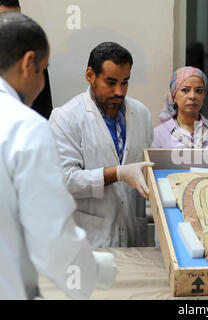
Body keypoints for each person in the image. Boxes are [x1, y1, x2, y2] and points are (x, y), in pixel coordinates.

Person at [0, 12, 116, 300]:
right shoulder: (24, 126)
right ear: (29, 63)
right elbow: (50, 234)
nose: (41, 84)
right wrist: (93, 270)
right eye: (43, 70)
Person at [49, 42, 154, 248]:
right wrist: (117, 173)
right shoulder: (65, 117)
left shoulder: (141, 114)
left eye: (125, 82)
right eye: (111, 82)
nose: (119, 91)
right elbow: (65, 180)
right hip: (90, 238)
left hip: (133, 237)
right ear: (90, 75)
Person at [0, 0, 53, 119]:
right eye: (4, 21)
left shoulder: (35, 61)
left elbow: (43, 114)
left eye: (17, 20)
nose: (13, 30)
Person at [152, 66, 208, 148]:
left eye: (199, 91)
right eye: (185, 90)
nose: (192, 96)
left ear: (204, 96)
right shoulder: (158, 135)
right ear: (174, 95)